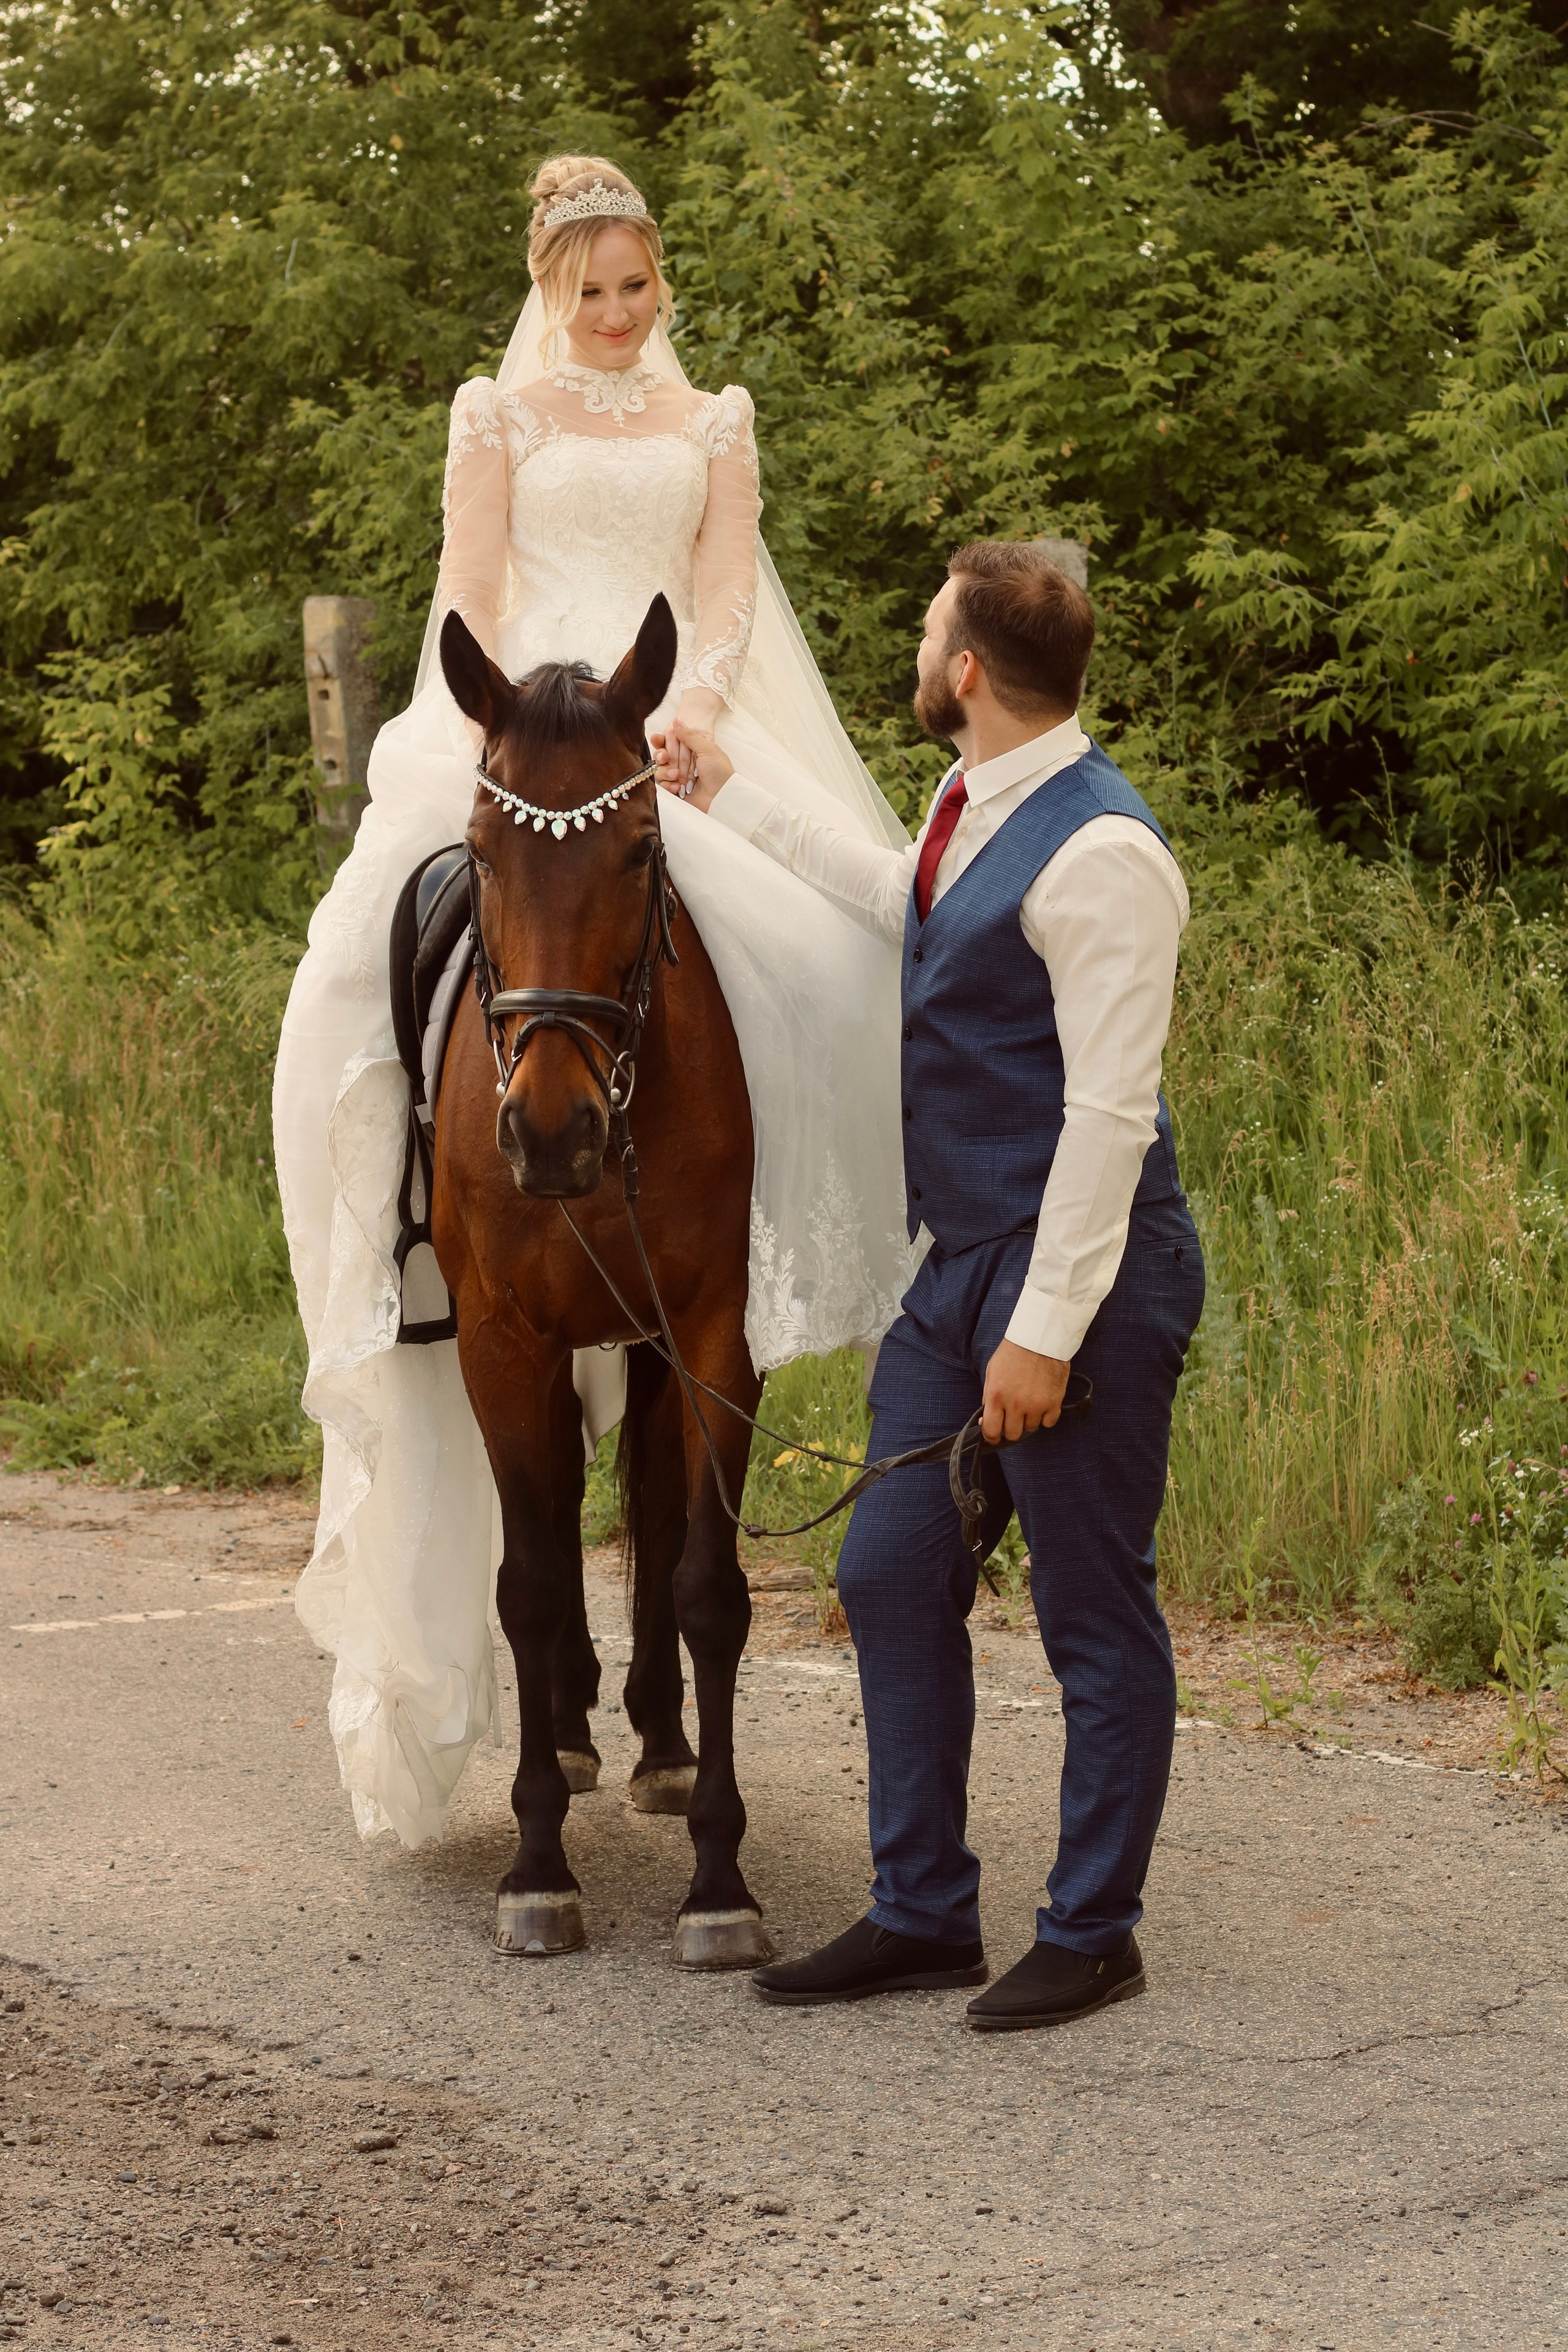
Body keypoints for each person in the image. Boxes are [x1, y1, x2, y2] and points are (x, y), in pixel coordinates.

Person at [272, 154, 914, 1847]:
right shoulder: (497, 414)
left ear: (659, 284)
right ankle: (395, 1230)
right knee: (355, 963)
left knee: (830, 958)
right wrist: (506, 724)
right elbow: (468, 589)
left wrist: (689, 713)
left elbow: (725, 593)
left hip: (660, 720)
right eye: (589, 290)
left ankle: (792, 1229)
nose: (616, 315)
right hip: (517, 726)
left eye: (636, 287)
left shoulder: (716, 423)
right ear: (548, 290)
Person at [654, 541, 1205, 2030]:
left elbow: (1108, 1120)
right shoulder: (972, 804)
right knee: (888, 1574)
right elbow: (904, 901)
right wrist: (726, 793)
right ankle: (921, 1912)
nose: (913, 650)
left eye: (923, 632)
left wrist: (1043, 1335)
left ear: (965, 668)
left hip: (1080, 1277)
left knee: (1092, 1613)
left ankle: (1092, 1930)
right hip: (954, 1263)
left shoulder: (1103, 854)